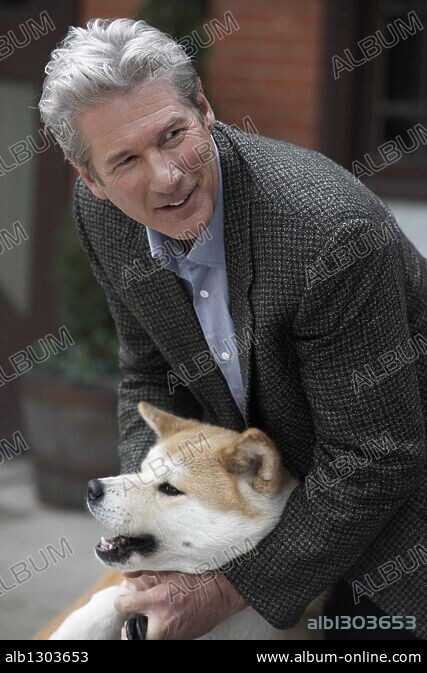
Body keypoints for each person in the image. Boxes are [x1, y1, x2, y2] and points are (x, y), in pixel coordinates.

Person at [39, 18, 426, 640]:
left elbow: (377, 457)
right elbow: (151, 369)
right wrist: (150, 527)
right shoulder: (103, 217)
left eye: (173, 134)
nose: (166, 176)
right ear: (93, 181)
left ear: (206, 110)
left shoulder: (326, 233)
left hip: (403, 533)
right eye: (127, 160)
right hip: (270, 505)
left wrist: (224, 590)